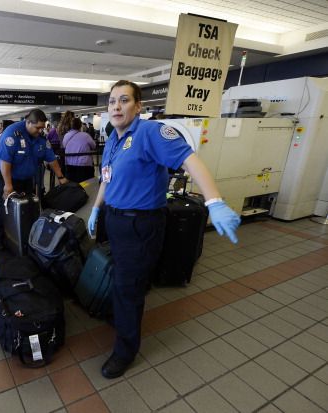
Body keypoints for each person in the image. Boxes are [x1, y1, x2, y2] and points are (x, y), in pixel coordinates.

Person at [87, 80, 241, 379]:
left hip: (141, 222)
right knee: (123, 278)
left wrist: (214, 201)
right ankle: (122, 315)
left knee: (128, 288)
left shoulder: (151, 133)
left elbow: (190, 160)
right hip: (116, 219)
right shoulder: (115, 138)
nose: (116, 106)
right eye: (112, 102)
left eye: (124, 100)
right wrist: (96, 207)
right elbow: (107, 177)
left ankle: (125, 350)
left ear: (139, 106)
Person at [0, 109, 67, 251]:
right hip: (6, 177)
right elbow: (5, 162)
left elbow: (51, 158)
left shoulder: (40, 137)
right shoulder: (12, 134)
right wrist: (8, 186)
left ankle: (26, 236)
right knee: (4, 209)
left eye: (42, 128)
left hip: (26, 179)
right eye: (37, 127)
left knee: (28, 207)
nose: (40, 131)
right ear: (27, 122)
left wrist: (61, 177)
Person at [62, 117, 96, 183]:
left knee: (71, 185)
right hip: (84, 165)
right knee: (86, 185)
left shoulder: (66, 136)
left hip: (69, 164)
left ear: (71, 126)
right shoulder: (86, 135)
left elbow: (64, 146)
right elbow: (93, 146)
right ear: (80, 126)